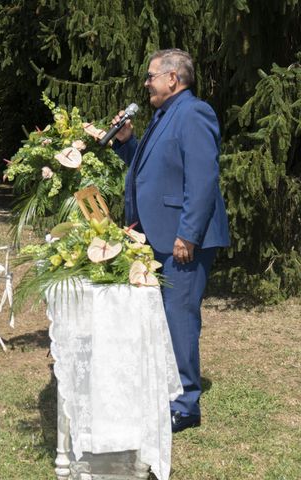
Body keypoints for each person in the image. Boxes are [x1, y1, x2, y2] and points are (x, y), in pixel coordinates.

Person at [109, 49, 230, 432]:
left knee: (179, 317)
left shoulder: (194, 112)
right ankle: (167, 384)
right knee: (162, 315)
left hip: (181, 238)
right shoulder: (164, 114)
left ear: (173, 78)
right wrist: (127, 142)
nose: (146, 83)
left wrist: (187, 234)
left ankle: (186, 403)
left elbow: (202, 178)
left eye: (151, 76)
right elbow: (154, 172)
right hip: (158, 232)